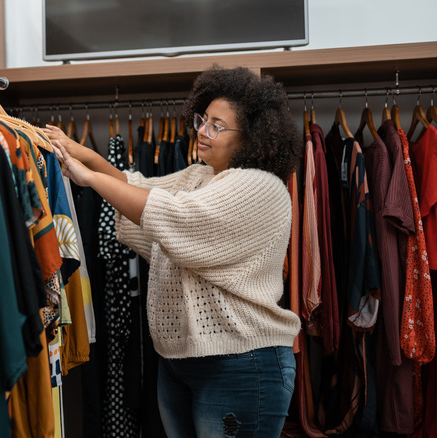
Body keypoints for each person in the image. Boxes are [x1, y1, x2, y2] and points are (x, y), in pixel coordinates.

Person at [43, 65, 303, 438]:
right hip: (179, 361)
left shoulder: (261, 187)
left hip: (241, 362)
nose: (202, 130)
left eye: (217, 126)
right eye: (202, 120)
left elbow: (172, 215)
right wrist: (85, 155)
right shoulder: (199, 176)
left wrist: (89, 177)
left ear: (250, 137)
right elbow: (137, 188)